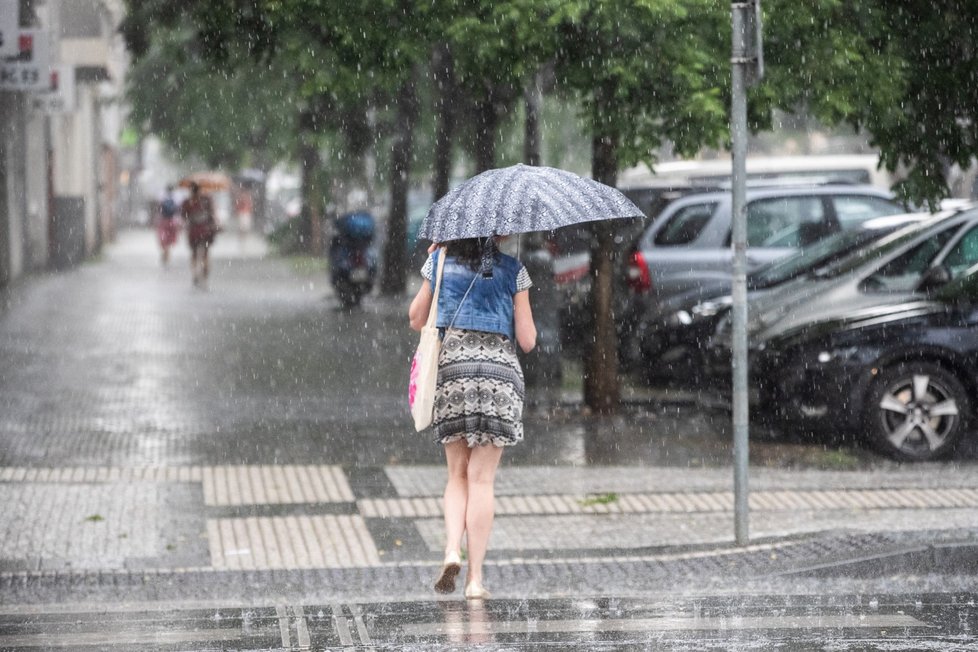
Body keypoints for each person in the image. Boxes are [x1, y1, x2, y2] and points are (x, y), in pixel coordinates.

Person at [408, 237, 537, 600]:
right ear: (499, 234)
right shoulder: (515, 271)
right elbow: (527, 340)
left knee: (456, 475)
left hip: (454, 370)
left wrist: (435, 266)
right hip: (499, 377)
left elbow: (416, 318)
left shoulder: (439, 263)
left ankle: (452, 549)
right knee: (482, 480)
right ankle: (475, 580)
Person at [181, 181, 219, 288]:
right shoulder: (207, 199)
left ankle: (195, 273)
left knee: (194, 253)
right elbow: (213, 214)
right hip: (206, 230)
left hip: (193, 231)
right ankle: (205, 277)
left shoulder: (187, 202)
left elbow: (184, 216)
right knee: (206, 253)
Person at [156, 186, 180, 266]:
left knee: (163, 239)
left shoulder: (162, 199)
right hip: (172, 222)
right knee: (169, 240)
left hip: (163, 221)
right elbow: (177, 211)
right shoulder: (175, 199)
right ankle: (167, 253)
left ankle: (165, 253)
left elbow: (159, 210)